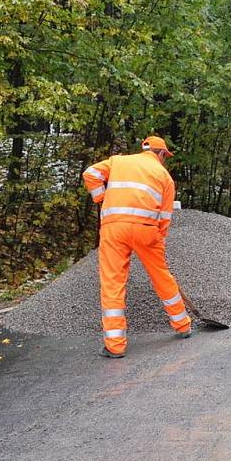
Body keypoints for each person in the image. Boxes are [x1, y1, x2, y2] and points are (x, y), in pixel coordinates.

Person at [82, 136, 191, 358]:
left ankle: (115, 345)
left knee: (112, 282)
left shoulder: (118, 161)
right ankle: (183, 325)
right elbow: (165, 216)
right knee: (161, 275)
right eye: (165, 157)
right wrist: (158, 240)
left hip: (114, 228)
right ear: (161, 153)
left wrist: (101, 197)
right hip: (146, 229)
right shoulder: (165, 177)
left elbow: (90, 174)